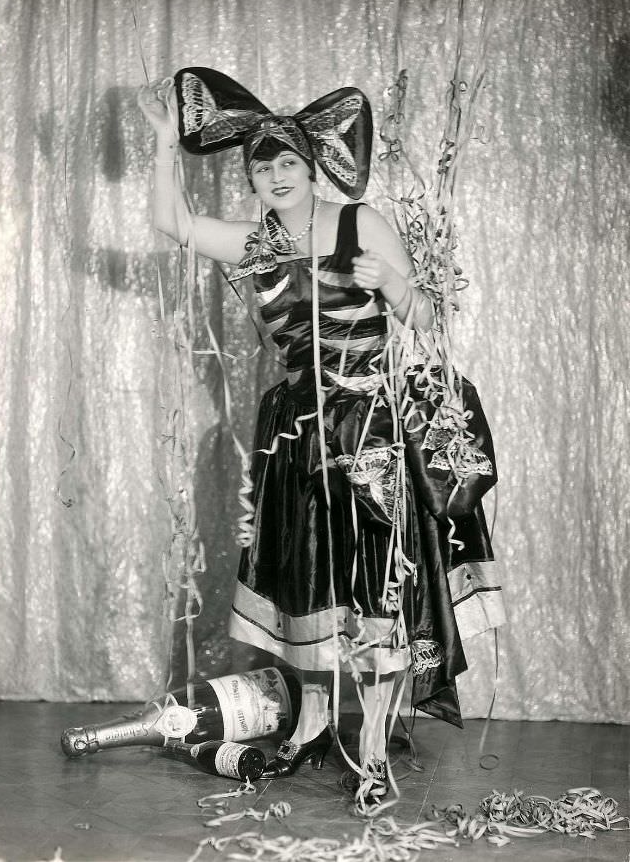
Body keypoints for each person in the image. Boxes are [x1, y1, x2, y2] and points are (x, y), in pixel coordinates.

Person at [138, 67, 497, 808]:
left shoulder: (359, 222)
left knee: (375, 593)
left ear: (311, 167)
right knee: (310, 587)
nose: (274, 177)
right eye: (261, 167)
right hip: (299, 438)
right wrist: (162, 143)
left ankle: (371, 751)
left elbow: (428, 320)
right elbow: (173, 224)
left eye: (288, 165)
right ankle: (310, 724)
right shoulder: (255, 244)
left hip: (371, 434)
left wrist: (396, 287)